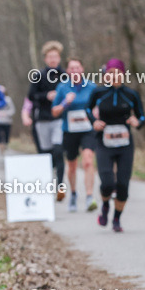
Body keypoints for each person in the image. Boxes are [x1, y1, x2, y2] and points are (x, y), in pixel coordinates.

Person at [90, 59, 145, 232]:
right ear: (106, 74)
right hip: (104, 142)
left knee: (122, 185)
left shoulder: (131, 94)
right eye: (110, 73)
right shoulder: (99, 93)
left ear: (123, 74)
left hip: (125, 145)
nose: (114, 76)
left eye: (117, 72)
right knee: (106, 182)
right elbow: (87, 109)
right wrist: (94, 121)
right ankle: (105, 205)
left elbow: (142, 117)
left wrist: (137, 122)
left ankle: (116, 219)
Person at [52, 58, 98, 212]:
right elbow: (54, 111)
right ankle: (73, 194)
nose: (75, 71)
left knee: (87, 161)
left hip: (87, 130)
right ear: (67, 71)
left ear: (82, 69)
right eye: (71, 68)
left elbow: (99, 106)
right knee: (71, 166)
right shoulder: (62, 87)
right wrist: (65, 103)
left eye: (77, 68)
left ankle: (90, 196)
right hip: (69, 131)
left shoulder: (91, 86)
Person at [28, 41, 66, 201]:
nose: (53, 59)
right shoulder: (39, 75)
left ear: (59, 58)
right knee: (45, 155)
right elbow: (31, 96)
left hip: (59, 120)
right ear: (45, 59)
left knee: (58, 151)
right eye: (50, 57)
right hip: (42, 120)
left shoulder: (65, 76)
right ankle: (45, 185)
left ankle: (60, 187)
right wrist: (46, 96)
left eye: (55, 56)